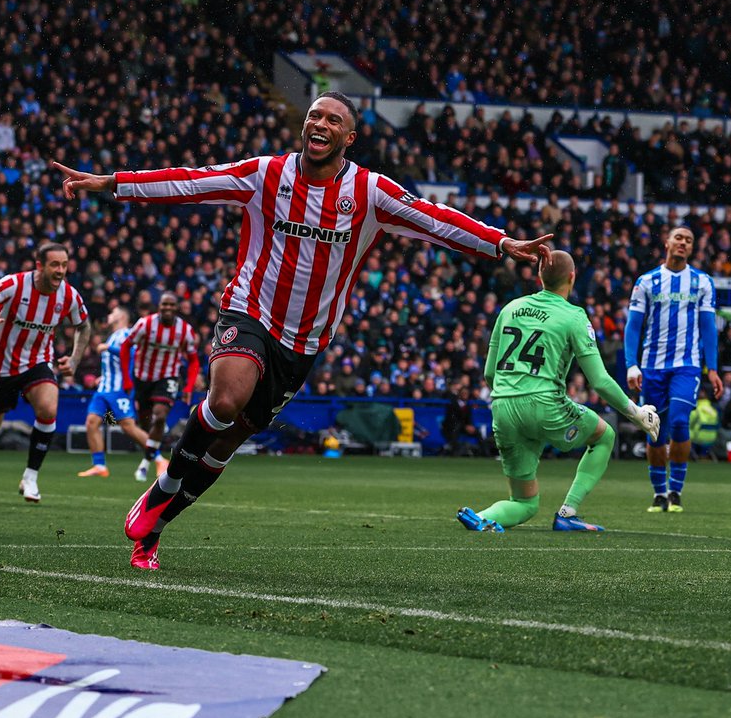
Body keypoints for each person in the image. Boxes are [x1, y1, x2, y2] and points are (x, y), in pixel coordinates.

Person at [55, 90, 554, 570]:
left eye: (333, 120)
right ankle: (160, 491)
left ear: (349, 137)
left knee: (228, 443)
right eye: (315, 115)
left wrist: (500, 243)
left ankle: (156, 531)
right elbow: (189, 181)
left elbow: (433, 218)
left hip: (306, 340)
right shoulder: (266, 173)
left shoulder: (369, 192)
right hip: (250, 310)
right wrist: (108, 182)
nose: (319, 124)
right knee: (225, 402)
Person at [457, 250, 661, 534]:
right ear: (572, 277)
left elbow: (490, 373)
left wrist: (515, 396)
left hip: (502, 407)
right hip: (545, 404)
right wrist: (636, 412)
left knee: (525, 502)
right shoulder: (574, 316)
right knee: (605, 436)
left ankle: (480, 517)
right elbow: (599, 381)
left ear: (539, 276)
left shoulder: (510, 309)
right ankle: (568, 512)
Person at [0, 241, 90, 505]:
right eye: (55, 264)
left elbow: (84, 325)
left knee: (48, 408)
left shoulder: (68, 295)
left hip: (38, 362)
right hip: (1, 367)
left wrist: (75, 360)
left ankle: (31, 476)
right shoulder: (14, 284)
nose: (60, 271)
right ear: (39, 266)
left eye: (64, 265)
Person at [624, 224, 722, 512]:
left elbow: (708, 328)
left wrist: (712, 368)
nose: (683, 243)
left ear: (692, 248)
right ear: (667, 242)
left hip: (686, 366)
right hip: (652, 367)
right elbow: (633, 326)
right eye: (678, 237)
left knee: (680, 421)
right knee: (655, 430)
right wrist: (632, 365)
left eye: (688, 240)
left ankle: (675, 491)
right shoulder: (647, 281)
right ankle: (659, 493)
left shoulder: (702, 282)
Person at [119, 291, 200, 482]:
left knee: (160, 415)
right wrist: (127, 380)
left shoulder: (185, 330)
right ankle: (149, 458)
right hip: (143, 378)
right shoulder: (145, 324)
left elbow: (194, 360)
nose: (168, 308)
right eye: (165, 305)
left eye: (172, 305)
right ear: (159, 306)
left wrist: (188, 387)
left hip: (168, 377)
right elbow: (125, 346)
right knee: (145, 423)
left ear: (177, 307)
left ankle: (146, 463)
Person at [77, 305, 149, 478]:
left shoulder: (127, 334)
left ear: (121, 317)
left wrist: (108, 349)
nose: (109, 315)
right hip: (104, 389)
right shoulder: (112, 336)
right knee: (92, 422)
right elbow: (117, 364)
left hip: (118, 390)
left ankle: (160, 457)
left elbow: (133, 355)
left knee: (128, 427)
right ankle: (99, 465)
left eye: (113, 312)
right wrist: (103, 377)